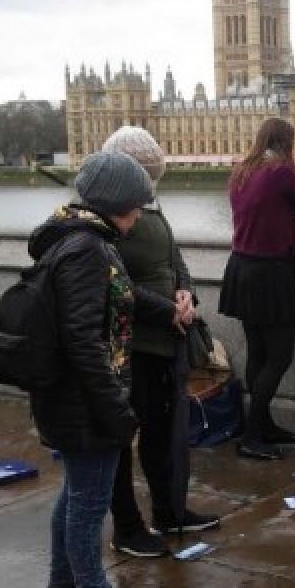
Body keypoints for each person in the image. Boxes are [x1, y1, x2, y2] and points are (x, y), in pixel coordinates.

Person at [31, 151, 179, 588]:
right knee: (89, 506)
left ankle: (60, 587)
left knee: (72, 495)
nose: (140, 215)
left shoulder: (83, 238)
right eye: (136, 205)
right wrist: (116, 410)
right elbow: (82, 341)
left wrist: (170, 311)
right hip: (86, 402)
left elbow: (124, 297)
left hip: (75, 399)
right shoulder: (87, 250)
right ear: (116, 203)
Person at [101, 127, 220, 559]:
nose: (150, 187)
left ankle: (169, 510)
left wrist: (186, 292)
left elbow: (175, 261)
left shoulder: (150, 207)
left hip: (167, 342)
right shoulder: (107, 219)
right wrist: (165, 308)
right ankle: (128, 526)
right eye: (145, 177)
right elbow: (115, 284)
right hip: (134, 347)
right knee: (123, 440)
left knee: (165, 436)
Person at [219, 117, 295, 460]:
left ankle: (262, 425)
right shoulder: (282, 173)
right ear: (286, 142)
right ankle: (251, 436)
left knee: (258, 352)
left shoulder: (240, 172)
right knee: (279, 356)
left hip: (241, 269)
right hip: (272, 272)